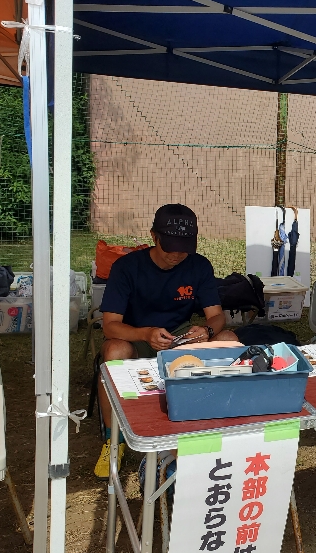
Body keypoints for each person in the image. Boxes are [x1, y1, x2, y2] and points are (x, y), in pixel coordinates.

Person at [94, 204, 239, 477]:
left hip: (181, 336)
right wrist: (145, 334)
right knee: (114, 351)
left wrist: (207, 330)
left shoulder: (199, 265)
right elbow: (110, 326)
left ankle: (218, 421)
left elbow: (217, 316)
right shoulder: (127, 267)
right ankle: (114, 439)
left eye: (184, 248)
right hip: (136, 335)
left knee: (229, 340)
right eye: (170, 247)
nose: (177, 254)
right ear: (154, 236)